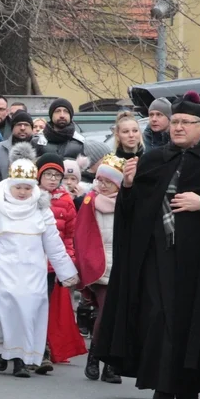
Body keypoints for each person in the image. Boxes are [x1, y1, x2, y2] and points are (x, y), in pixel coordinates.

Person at [94, 92, 200, 399]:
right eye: (174, 122)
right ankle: (161, 383)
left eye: (184, 123)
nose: (177, 128)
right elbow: (132, 212)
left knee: (193, 320)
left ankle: (189, 387)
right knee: (157, 316)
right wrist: (129, 186)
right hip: (156, 255)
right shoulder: (153, 160)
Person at [0, 143, 79, 377]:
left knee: (29, 312)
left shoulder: (41, 210)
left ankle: (21, 359)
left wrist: (66, 271)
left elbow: (53, 243)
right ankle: (3, 351)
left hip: (33, 271)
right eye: (18, 187)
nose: (22, 192)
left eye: (27, 187)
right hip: (4, 271)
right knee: (2, 313)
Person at [75, 154, 125, 384]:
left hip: (121, 265)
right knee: (106, 313)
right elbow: (82, 235)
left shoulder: (126, 203)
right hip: (100, 264)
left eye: (108, 182)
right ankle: (96, 357)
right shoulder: (90, 202)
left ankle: (111, 365)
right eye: (100, 181)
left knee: (118, 316)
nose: (102, 186)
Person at [35, 152, 84, 370]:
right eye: (48, 174)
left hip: (51, 265)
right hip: (29, 262)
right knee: (30, 306)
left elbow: (70, 235)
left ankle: (42, 349)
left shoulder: (66, 201)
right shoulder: (28, 196)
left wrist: (69, 260)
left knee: (44, 306)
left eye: (57, 175)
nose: (53, 179)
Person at [0, 111, 43, 196]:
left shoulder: (40, 148)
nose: (22, 128)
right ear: (12, 127)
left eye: (26, 125)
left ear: (32, 128)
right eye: (19, 124)